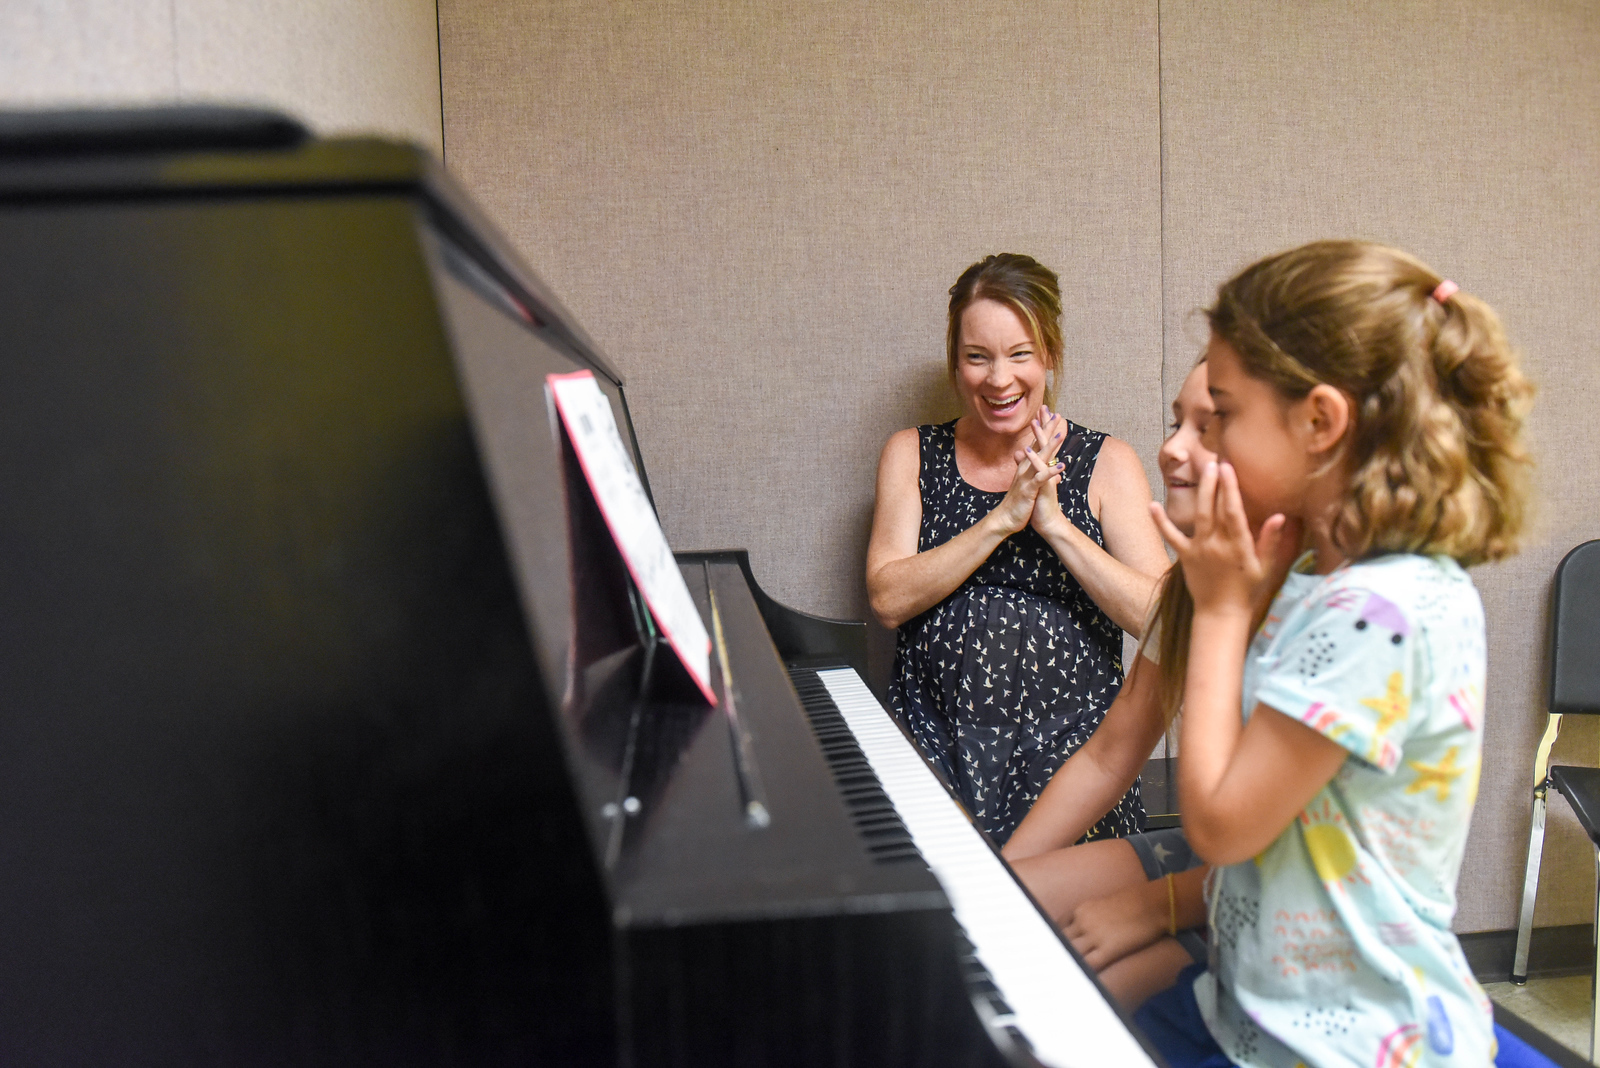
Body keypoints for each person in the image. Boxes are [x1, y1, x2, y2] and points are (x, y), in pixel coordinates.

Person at [1133, 240, 1532, 1068]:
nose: (1205, 439)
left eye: (1226, 414)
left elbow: (1218, 826)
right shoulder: (1319, 575)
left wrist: (1219, 612)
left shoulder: (1382, 610)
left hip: (1345, 1047)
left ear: (1319, 422)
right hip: (1248, 1011)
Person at [867, 253, 1169, 843]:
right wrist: (1003, 519)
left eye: (1019, 354)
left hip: (1077, 770)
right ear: (956, 362)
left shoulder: (1108, 462)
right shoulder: (911, 453)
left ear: (1049, 355)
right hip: (937, 749)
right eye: (977, 357)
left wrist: (1054, 524)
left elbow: (1163, 619)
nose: (999, 379)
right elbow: (887, 596)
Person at [1002, 359, 1219, 1011]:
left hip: (1286, 896)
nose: (1171, 447)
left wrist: (1158, 907)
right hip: (1214, 866)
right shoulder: (1189, 584)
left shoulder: (1338, 606)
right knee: (986, 925)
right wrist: (999, 880)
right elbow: (1109, 754)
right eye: (1177, 421)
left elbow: (1291, 849)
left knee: (1051, 1005)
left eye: (1213, 425)